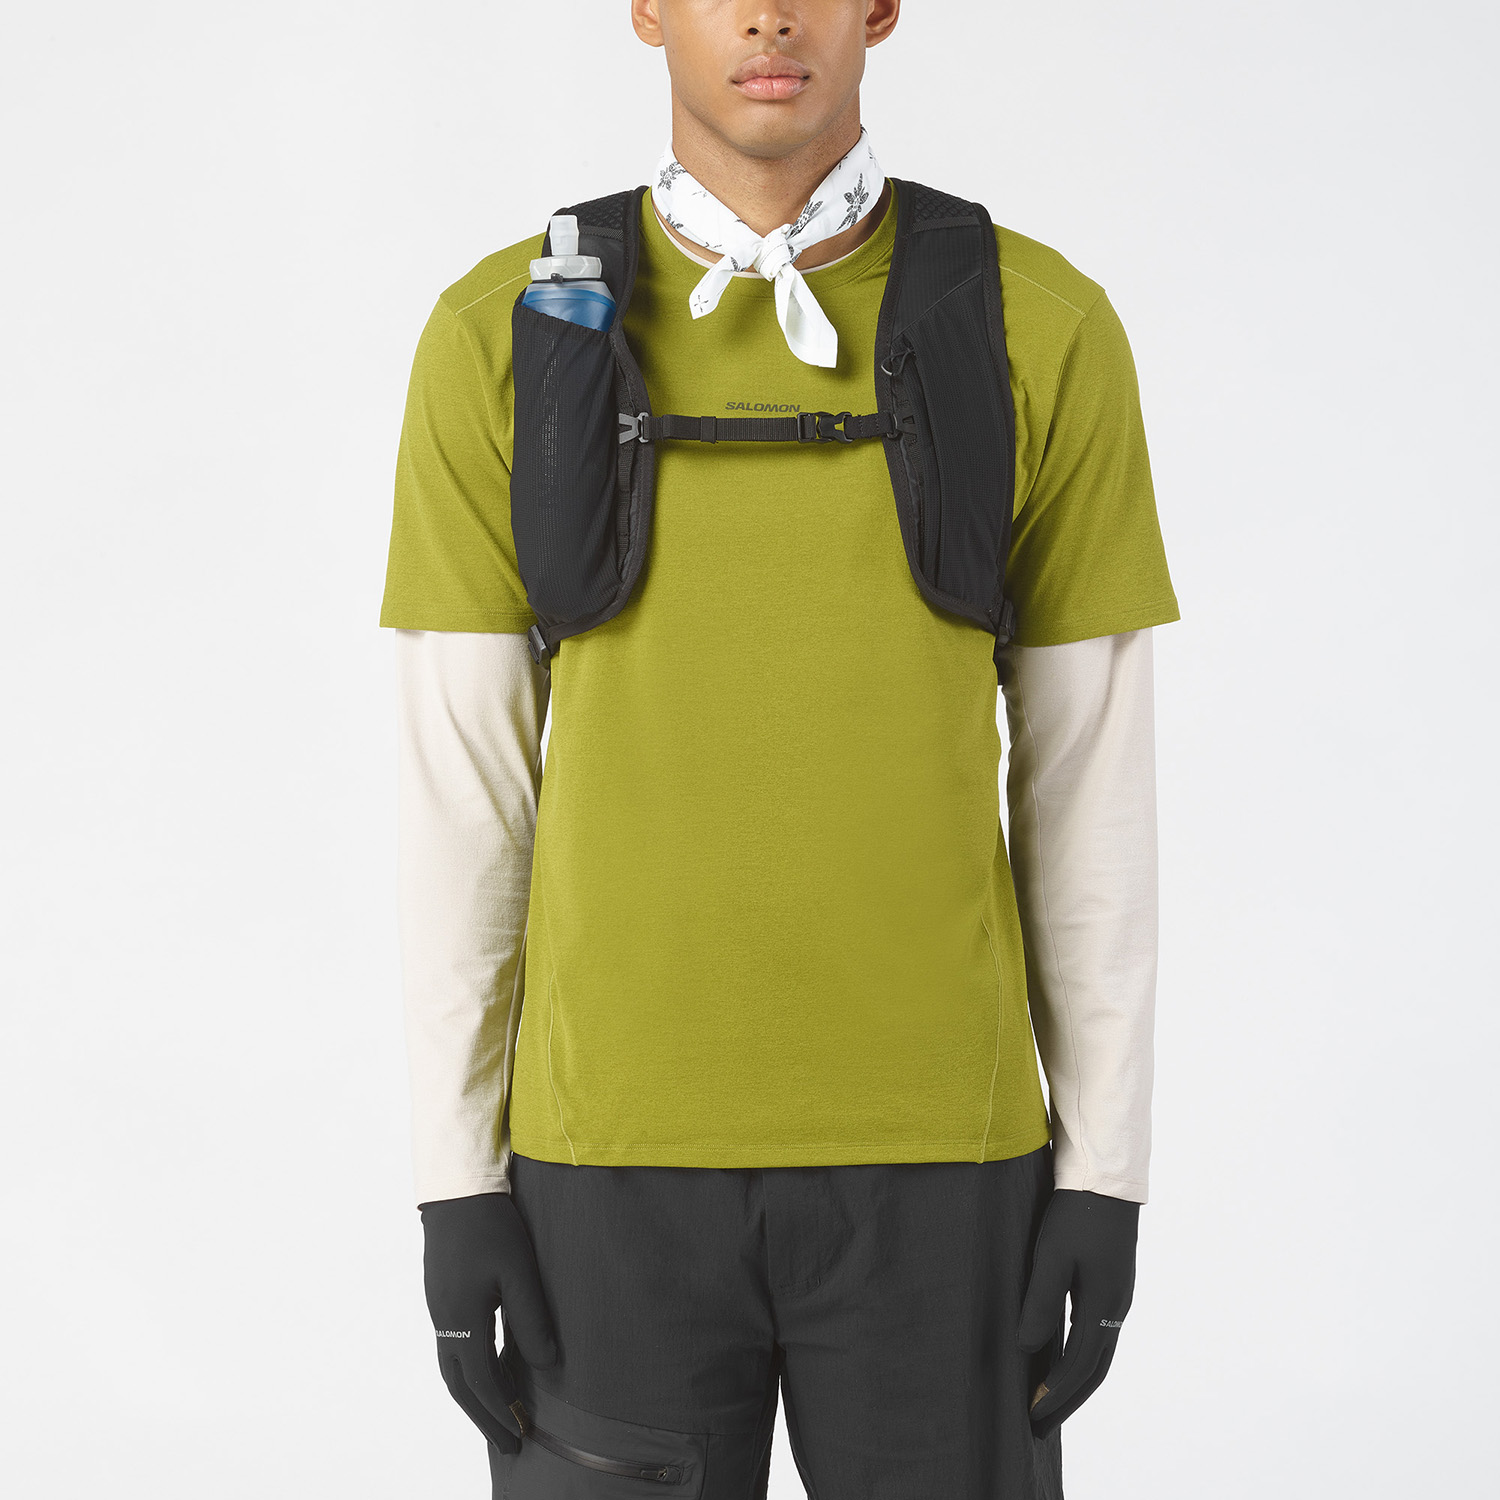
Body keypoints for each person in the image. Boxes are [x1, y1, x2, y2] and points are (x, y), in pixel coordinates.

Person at [379, 1, 1179, 1494]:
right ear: (646, 10)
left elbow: (1090, 788)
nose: (765, 14)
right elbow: (464, 799)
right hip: (598, 1169)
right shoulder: (504, 332)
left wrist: (1104, 1170)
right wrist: (456, 1179)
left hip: (949, 1169)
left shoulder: (1036, 324)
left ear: (880, 8)